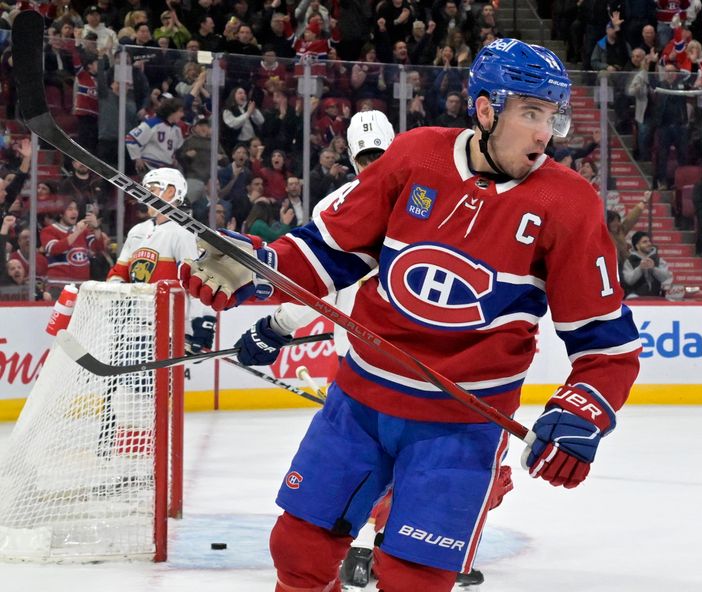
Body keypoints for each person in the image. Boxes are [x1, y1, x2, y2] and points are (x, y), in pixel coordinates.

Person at [181, 40, 641, 592]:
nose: (546, 134)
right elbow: (331, 250)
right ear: (487, 108)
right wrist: (261, 268)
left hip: (464, 423)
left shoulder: (568, 204)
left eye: (552, 116)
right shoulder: (414, 155)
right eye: (531, 113)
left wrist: (583, 411)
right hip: (360, 401)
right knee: (298, 547)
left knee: (413, 580)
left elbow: (605, 347)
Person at [107, 168, 215, 353]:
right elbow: (119, 273)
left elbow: (197, 281)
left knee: (157, 381)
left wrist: (202, 322)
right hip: (134, 327)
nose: (144, 197)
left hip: (169, 328)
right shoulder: (137, 231)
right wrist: (118, 299)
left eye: (151, 190)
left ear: (170, 191)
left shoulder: (183, 233)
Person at [622, 231, 673, 298]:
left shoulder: (658, 259)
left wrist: (653, 269)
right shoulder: (630, 261)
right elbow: (629, 280)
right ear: (637, 246)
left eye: (649, 241)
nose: (649, 244)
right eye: (644, 242)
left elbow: (665, 277)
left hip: (656, 296)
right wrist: (640, 268)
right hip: (635, 297)